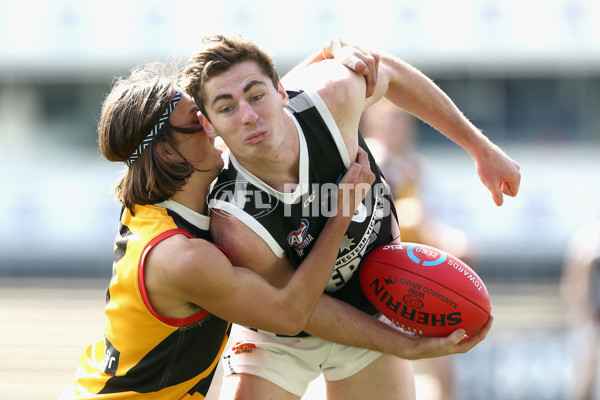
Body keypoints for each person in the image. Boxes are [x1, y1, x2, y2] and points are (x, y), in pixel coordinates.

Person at [182, 34, 519, 400]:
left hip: (370, 306)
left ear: (281, 91)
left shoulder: (330, 97)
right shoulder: (232, 219)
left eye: (257, 95)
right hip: (281, 335)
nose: (248, 116)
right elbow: (299, 311)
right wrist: (402, 345)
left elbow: (390, 73)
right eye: (227, 107)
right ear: (208, 124)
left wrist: (480, 149)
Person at [58, 56, 377, 399]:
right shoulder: (184, 257)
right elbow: (289, 314)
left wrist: (326, 55)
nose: (214, 126)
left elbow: (249, 106)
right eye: (197, 123)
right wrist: (341, 213)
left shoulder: (150, 201)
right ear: (166, 154)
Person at [560, 218, 600, 400]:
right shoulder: (587, 236)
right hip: (590, 320)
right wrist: (582, 312)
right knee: (585, 377)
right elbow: (572, 282)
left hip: (588, 318)